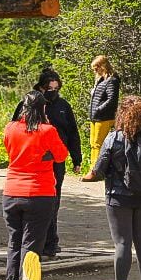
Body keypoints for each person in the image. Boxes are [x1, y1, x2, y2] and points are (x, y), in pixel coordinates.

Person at [82, 95, 141, 280]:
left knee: (122, 243)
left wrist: (88, 175)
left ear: (121, 115)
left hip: (118, 197)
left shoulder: (114, 138)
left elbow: (98, 170)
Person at [1, 90, 67, 280]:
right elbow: (61, 155)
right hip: (39, 193)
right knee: (32, 248)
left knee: (14, 244)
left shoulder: (10, 128)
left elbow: (10, 150)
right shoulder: (47, 131)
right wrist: (45, 155)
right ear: (44, 109)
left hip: (11, 192)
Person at [11, 67, 83, 258]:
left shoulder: (63, 106)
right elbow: (14, 130)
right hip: (32, 161)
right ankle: (36, 242)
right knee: (36, 203)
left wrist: (77, 158)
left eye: (56, 88)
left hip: (56, 160)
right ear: (41, 88)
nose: (53, 92)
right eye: (49, 89)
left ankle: (51, 242)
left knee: (53, 201)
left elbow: (73, 133)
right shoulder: (27, 104)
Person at [88, 55, 120, 154]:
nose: (95, 71)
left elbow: (112, 100)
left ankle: (96, 169)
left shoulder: (112, 80)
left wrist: (98, 109)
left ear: (103, 66)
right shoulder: (101, 80)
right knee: (93, 144)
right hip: (95, 117)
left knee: (98, 144)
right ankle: (92, 167)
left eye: (96, 68)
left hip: (104, 118)